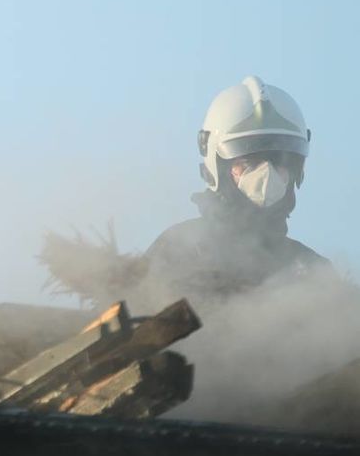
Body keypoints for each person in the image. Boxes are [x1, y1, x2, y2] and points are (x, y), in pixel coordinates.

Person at [141, 75, 329, 305]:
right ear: (217, 167)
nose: (266, 174)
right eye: (249, 163)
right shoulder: (178, 251)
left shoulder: (313, 271)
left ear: (295, 171)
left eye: (278, 161)